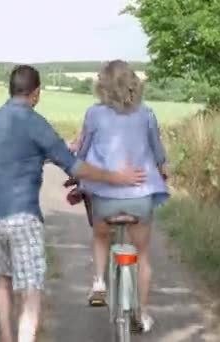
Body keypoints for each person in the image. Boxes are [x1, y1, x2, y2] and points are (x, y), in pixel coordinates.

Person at [0, 65, 147, 342]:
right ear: (36, 93)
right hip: (21, 216)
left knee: (2, 280)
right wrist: (115, 176)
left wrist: (52, 150)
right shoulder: (34, 122)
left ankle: (7, 338)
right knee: (30, 291)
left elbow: (16, 156)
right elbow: (75, 167)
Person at [70, 60, 170, 333]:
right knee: (143, 254)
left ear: (102, 86)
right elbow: (158, 152)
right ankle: (143, 313)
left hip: (105, 195)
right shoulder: (147, 114)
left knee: (101, 234)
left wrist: (78, 169)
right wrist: (162, 170)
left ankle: (99, 283)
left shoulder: (93, 114)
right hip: (141, 195)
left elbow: (83, 149)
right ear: (134, 84)